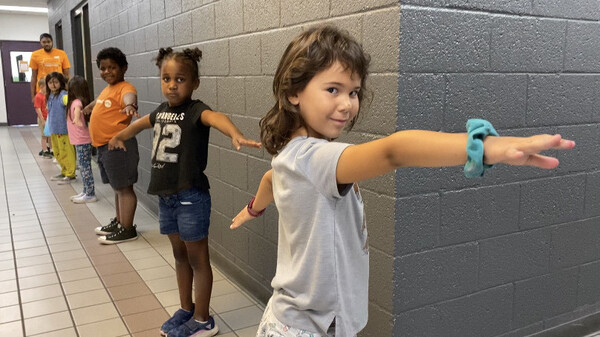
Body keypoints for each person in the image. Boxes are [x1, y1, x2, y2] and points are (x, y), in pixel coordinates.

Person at [229, 25, 576, 337]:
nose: (347, 104)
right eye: (333, 89)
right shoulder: (313, 158)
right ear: (294, 92)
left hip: (296, 320)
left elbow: (270, 179)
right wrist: (484, 147)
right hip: (307, 328)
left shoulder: (292, 156)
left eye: (353, 92)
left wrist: (252, 210)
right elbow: (395, 151)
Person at [108, 47, 260, 337]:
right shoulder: (161, 111)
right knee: (178, 256)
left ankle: (203, 320)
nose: (172, 85)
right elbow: (140, 124)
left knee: (198, 260)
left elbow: (218, 118)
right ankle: (187, 309)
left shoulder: (195, 111)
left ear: (194, 83)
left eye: (180, 79)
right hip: (167, 198)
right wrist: (119, 135)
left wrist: (235, 134)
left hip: (191, 198)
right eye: (166, 78)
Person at [84, 47, 139, 244]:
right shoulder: (108, 89)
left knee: (124, 188)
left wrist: (130, 105)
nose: (107, 72)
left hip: (118, 147)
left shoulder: (125, 87)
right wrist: (89, 107)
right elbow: (100, 102)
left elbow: (129, 97)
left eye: (112, 67)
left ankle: (127, 228)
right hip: (105, 148)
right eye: (103, 68)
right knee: (117, 188)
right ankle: (119, 222)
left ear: (123, 68)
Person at [66, 76, 97, 203]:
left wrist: (77, 119)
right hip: (79, 140)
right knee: (83, 166)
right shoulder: (75, 101)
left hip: (82, 140)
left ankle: (90, 194)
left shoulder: (77, 102)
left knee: (85, 167)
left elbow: (77, 111)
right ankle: (85, 191)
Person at [45, 72, 76, 183]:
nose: (53, 85)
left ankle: (70, 173)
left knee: (66, 152)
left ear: (61, 83)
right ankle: (64, 171)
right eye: (50, 83)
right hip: (54, 129)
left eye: (56, 82)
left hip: (63, 130)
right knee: (58, 152)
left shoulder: (63, 95)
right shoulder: (50, 96)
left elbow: (71, 104)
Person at [29, 33, 70, 104]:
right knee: (43, 114)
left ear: (52, 42)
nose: (47, 44)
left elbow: (67, 75)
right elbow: (33, 76)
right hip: (43, 91)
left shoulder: (61, 53)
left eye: (48, 41)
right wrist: (33, 96)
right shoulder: (35, 55)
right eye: (44, 42)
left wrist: (69, 90)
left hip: (59, 90)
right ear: (40, 43)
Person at [34, 77, 52, 158]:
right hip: (43, 119)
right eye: (46, 86)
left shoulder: (47, 95)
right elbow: (38, 109)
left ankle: (50, 149)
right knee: (44, 135)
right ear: (41, 86)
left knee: (49, 135)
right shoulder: (38, 96)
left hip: (48, 118)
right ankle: (44, 150)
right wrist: (42, 120)